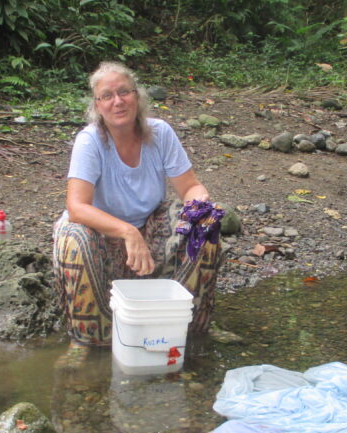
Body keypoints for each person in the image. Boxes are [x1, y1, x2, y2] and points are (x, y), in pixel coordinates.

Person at [52, 61, 223, 346]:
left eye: (124, 92)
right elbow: (76, 207)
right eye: (107, 96)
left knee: (204, 226)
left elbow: (190, 186)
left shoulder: (160, 133)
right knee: (74, 238)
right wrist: (128, 232)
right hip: (101, 234)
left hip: (149, 227)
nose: (117, 101)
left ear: (138, 96)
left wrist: (199, 204)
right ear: (97, 105)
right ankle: (84, 341)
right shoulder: (89, 141)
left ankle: (188, 331)